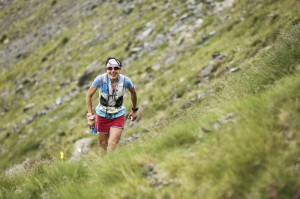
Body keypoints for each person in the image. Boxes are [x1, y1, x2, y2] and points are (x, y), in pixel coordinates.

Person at [86, 57, 138, 154]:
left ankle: (111, 164)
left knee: (112, 144)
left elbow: (133, 93)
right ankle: (103, 167)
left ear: (120, 69)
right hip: (102, 115)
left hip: (118, 115)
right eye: (110, 68)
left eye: (116, 68)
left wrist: (134, 110)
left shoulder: (126, 80)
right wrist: (90, 116)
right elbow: (89, 95)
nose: (112, 71)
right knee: (102, 145)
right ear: (106, 69)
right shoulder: (100, 79)